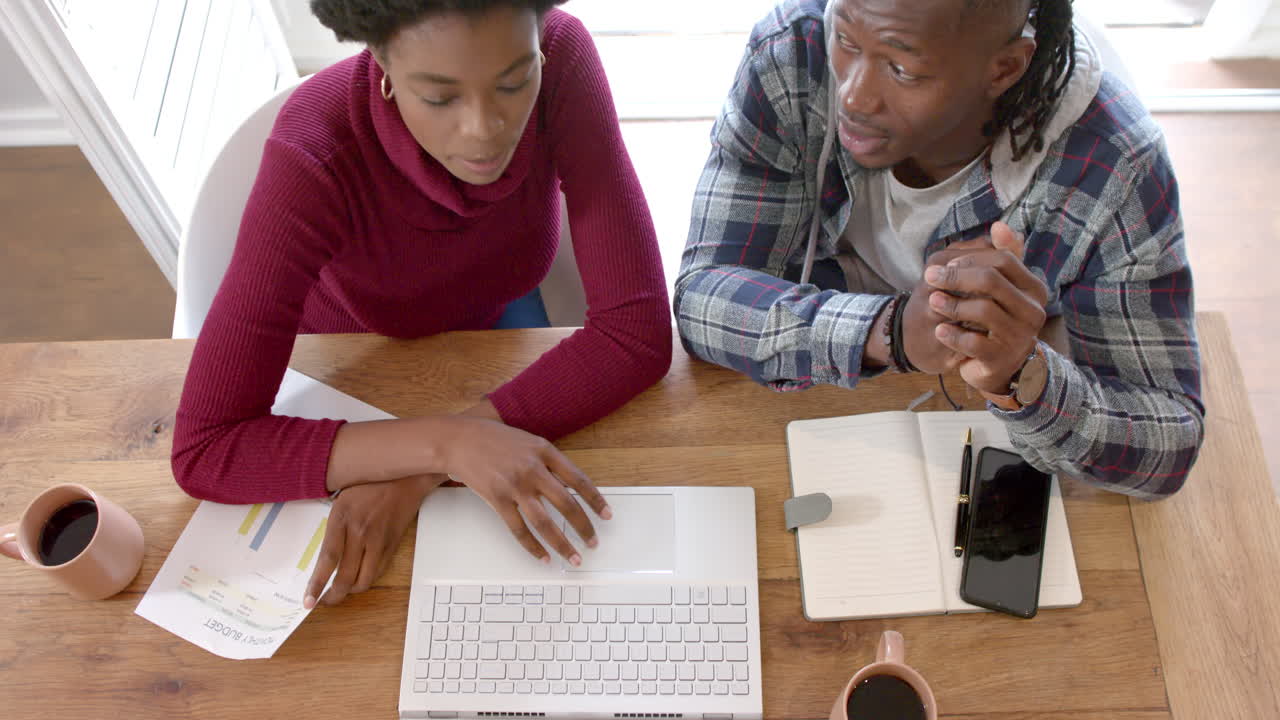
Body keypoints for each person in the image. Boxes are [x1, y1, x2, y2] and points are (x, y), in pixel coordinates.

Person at [171, 0, 673, 608]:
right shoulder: (316, 152)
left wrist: (423, 470)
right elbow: (204, 449)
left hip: (493, 337)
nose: (485, 130)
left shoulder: (563, 55)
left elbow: (637, 334)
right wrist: (447, 445)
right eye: (440, 98)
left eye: (515, 82)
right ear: (379, 60)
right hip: (353, 361)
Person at [675, 0, 1203, 498]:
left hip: (1014, 358)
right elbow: (702, 298)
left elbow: (1170, 439)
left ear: (1004, 70)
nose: (853, 96)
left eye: (902, 69)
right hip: (843, 331)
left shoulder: (1116, 162)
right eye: (847, 40)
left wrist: (1025, 375)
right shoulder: (795, 48)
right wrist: (891, 330)